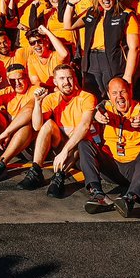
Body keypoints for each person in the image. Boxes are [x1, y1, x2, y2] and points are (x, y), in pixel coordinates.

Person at [78, 78, 140, 217]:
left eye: (123, 92)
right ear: (109, 95)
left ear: (130, 92)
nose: (119, 97)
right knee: (84, 144)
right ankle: (97, 194)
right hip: (112, 165)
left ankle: (130, 198)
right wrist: (95, 115)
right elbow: (96, 109)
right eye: (114, 93)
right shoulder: (105, 106)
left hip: (134, 169)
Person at [20, 64, 96, 196]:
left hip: (78, 149)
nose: (66, 82)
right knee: (48, 124)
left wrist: (65, 151)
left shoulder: (87, 97)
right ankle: (36, 170)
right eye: (62, 79)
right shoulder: (51, 98)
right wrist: (38, 103)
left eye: (69, 78)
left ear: (75, 79)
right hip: (60, 143)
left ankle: (59, 176)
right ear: (55, 82)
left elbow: (85, 126)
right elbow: (37, 126)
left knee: (80, 137)